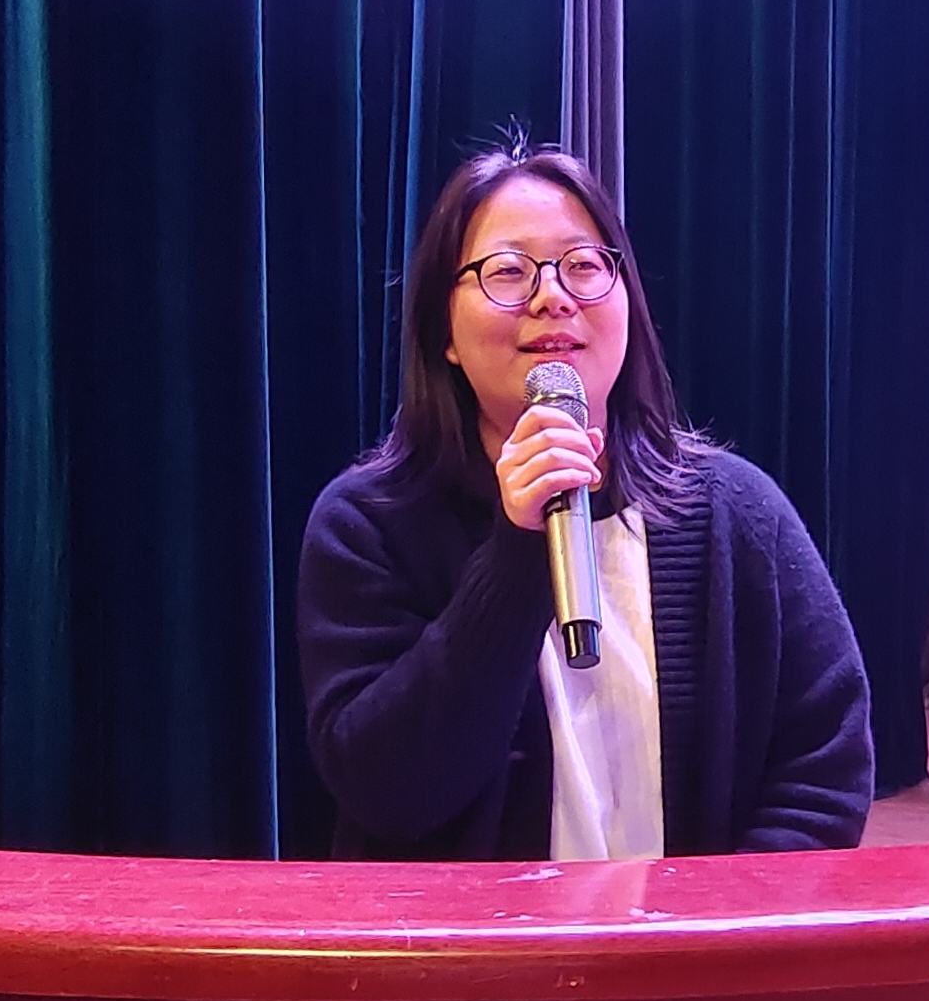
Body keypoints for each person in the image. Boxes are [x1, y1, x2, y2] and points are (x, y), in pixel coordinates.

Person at [297, 140, 873, 861]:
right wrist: (516, 558)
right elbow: (385, 791)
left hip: (703, 933)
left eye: (584, 266)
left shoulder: (737, 512)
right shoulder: (367, 525)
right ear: (444, 332)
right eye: (509, 272)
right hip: (470, 935)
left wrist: (716, 916)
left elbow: (824, 768)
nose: (553, 297)